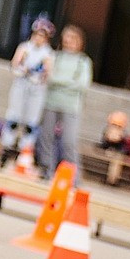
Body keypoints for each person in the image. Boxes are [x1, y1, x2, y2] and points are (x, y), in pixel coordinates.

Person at [0, 17, 55, 164]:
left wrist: (43, 70)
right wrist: (21, 64)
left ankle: (25, 150)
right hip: (21, 84)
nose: (39, 38)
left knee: (31, 121)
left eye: (43, 36)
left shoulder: (48, 53)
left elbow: (47, 74)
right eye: (37, 34)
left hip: (36, 89)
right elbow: (15, 65)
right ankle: (6, 145)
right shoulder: (25, 47)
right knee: (14, 117)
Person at [39, 24, 92, 176]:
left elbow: (82, 84)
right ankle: (46, 170)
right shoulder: (56, 56)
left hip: (71, 106)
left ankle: (73, 176)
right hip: (51, 102)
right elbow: (48, 77)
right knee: (46, 137)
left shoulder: (83, 61)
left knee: (69, 141)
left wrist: (58, 81)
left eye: (72, 38)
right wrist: (65, 81)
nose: (68, 41)